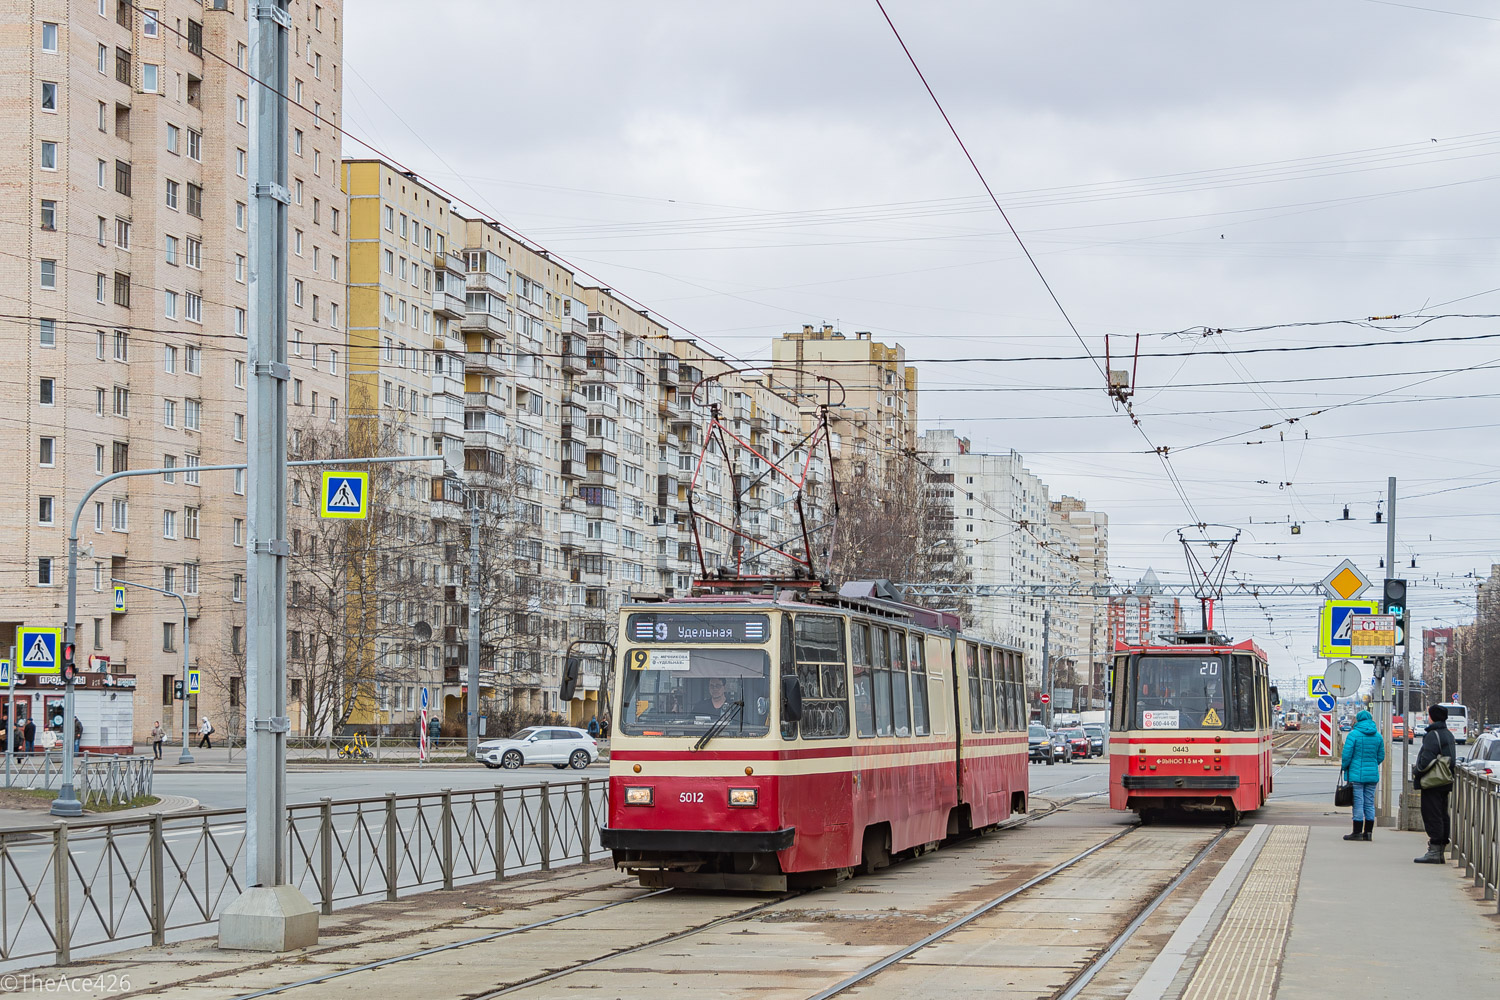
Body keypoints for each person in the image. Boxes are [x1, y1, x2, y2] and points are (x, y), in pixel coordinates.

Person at [1414, 703, 1457, 864]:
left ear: (1432, 717)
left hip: (1433, 781)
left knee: (1432, 814)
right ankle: (1439, 850)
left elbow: (1426, 759)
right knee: (1442, 813)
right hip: (1445, 779)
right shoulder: (1448, 734)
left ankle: (1434, 850)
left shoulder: (1433, 735)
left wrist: (1417, 771)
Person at [1339, 709, 1384, 841]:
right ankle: (1368, 833)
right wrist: (1372, 764)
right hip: (1372, 775)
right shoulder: (1378, 736)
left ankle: (1357, 832)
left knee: (1358, 802)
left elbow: (1346, 755)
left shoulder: (1353, 735)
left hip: (1356, 775)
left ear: (1358, 720)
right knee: (1369, 803)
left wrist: (1345, 766)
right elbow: (1381, 756)